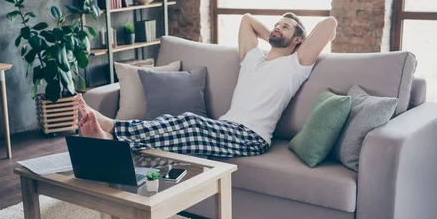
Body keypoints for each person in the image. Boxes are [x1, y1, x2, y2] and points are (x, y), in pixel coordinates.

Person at [78, 13, 338, 157]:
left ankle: (113, 130)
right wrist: (279, 30)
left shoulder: (296, 65)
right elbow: (247, 19)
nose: (279, 28)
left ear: (298, 40)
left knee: (190, 123)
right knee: (176, 129)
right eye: (277, 24)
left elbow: (330, 24)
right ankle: (113, 141)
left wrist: (298, 41)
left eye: (286, 27)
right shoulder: (253, 57)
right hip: (225, 127)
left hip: (251, 137)